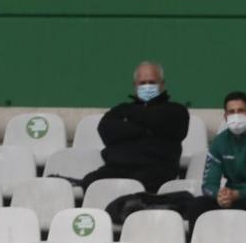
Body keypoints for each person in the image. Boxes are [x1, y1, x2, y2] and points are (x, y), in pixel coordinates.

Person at [77, 62, 189, 193]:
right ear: (135, 85)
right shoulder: (121, 109)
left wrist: (130, 122)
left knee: (135, 188)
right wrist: (148, 130)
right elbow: (105, 129)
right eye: (142, 83)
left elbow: (167, 124)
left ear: (162, 84)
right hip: (117, 168)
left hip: (156, 171)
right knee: (90, 181)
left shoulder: (176, 111)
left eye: (152, 82)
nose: (147, 86)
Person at [180, 92, 246, 238]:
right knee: (197, 205)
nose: (236, 115)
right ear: (225, 116)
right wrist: (219, 196)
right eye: (231, 112)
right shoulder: (219, 142)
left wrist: (237, 195)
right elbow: (208, 185)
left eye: (241, 111)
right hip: (230, 198)